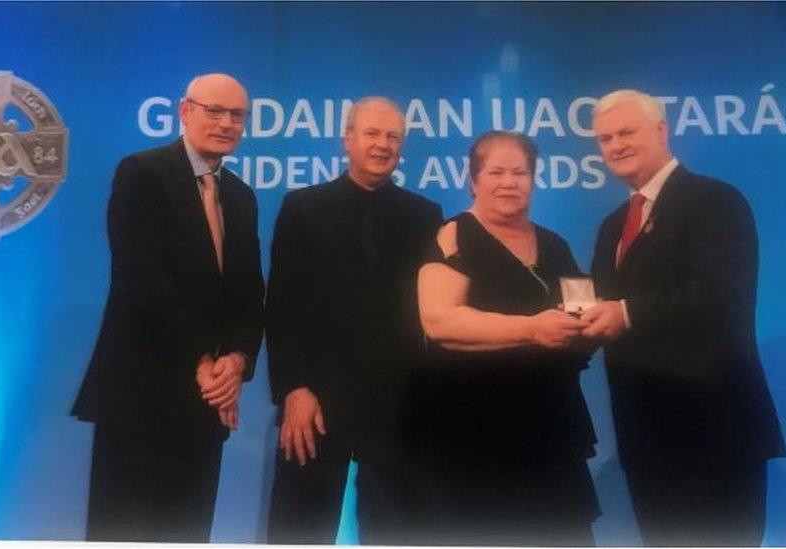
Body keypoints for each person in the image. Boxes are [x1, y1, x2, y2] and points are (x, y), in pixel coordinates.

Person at [582, 89, 786, 546]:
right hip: (645, 434)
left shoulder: (715, 201)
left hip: (714, 431)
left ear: (660, 130)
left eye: (626, 132)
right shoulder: (614, 224)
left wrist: (626, 313)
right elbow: (600, 304)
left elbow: (720, 298)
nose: (615, 145)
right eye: (604, 138)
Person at [71, 73, 264, 542]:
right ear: (185, 111)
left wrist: (236, 361)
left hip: (205, 402)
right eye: (214, 111)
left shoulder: (240, 196)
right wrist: (200, 360)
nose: (226, 123)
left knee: (189, 530)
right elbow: (142, 281)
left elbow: (248, 293)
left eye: (236, 115)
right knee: (125, 531)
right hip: (140, 395)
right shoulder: (142, 173)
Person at [265, 96, 442, 544]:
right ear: (347, 140)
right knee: (298, 529)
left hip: (401, 403)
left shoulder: (425, 215)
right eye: (372, 134)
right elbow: (282, 306)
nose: (382, 145)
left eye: (393, 137)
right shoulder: (302, 208)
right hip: (315, 401)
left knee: (399, 531)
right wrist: (293, 388)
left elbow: (432, 313)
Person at [412, 131, 600, 546]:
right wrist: (532, 329)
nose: (509, 182)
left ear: (534, 179)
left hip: (551, 428)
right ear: (473, 179)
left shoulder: (555, 244)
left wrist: (592, 326)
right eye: (495, 172)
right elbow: (439, 322)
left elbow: (581, 307)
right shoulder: (454, 235)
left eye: (520, 172)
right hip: (472, 429)